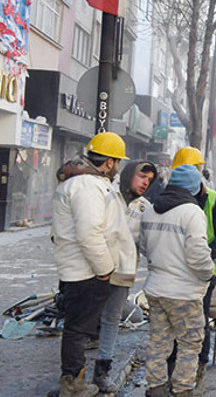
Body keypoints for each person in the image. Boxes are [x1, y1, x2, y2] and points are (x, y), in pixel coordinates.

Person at [51, 132, 131, 396]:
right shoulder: (88, 186)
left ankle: (73, 381)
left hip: (82, 270)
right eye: (117, 161)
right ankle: (73, 385)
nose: (118, 167)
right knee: (77, 330)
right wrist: (105, 270)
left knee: (77, 328)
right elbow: (89, 233)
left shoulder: (87, 184)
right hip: (87, 272)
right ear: (108, 161)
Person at [140, 165, 214, 397]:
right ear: (195, 188)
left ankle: (156, 387)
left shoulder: (151, 210)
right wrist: (208, 273)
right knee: (190, 344)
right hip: (184, 293)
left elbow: (143, 247)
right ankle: (182, 390)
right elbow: (198, 256)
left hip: (155, 289)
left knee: (158, 342)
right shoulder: (192, 213)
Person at [168, 146, 216, 388]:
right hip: (178, 271)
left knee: (199, 320)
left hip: (206, 273)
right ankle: (175, 364)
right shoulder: (171, 198)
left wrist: (204, 255)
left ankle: (199, 366)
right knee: (176, 321)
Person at [92, 160, 157, 393]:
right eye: (142, 177)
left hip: (123, 273)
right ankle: (74, 372)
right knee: (84, 321)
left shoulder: (145, 208)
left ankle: (102, 371)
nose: (145, 183)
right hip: (95, 269)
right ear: (129, 174)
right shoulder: (106, 195)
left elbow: (147, 246)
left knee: (111, 320)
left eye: (149, 180)